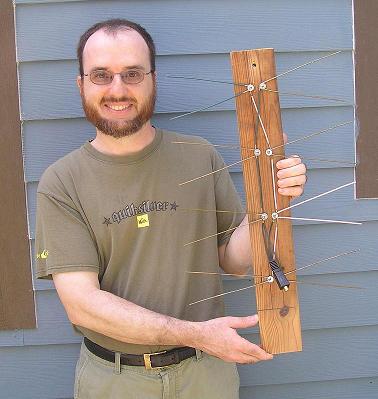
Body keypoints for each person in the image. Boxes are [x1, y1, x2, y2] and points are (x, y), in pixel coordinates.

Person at [35, 19, 307, 399]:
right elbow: (83, 306)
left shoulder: (198, 156)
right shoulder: (62, 182)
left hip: (206, 376)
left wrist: (272, 199)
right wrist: (198, 334)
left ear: (153, 79)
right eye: (101, 75)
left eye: (132, 74)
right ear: (81, 84)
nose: (118, 90)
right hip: (116, 380)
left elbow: (234, 260)